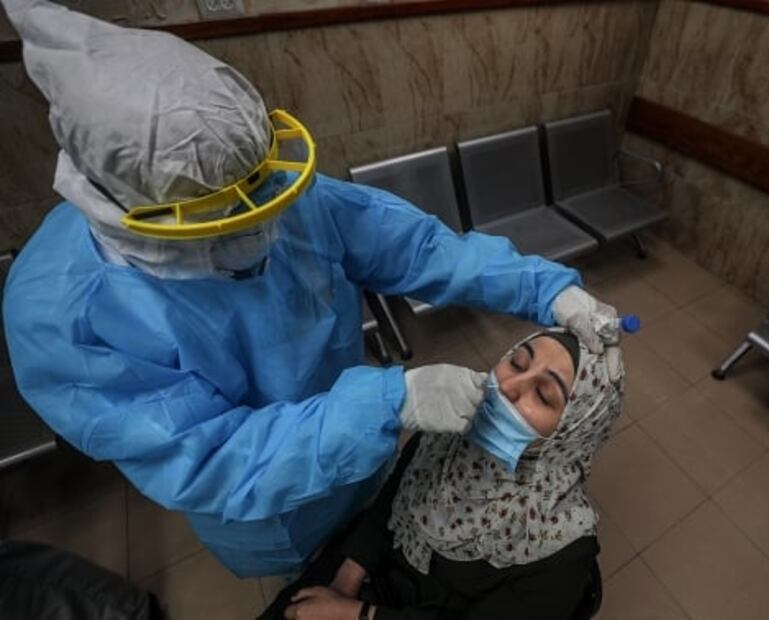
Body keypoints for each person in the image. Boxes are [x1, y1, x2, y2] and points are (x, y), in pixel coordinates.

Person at [0, 0, 621, 578]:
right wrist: (386, 406)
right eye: (224, 223)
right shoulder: (62, 316)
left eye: (262, 199)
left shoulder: (267, 186)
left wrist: (545, 290)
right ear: (135, 212)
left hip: (364, 453)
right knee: (313, 575)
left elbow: (418, 248)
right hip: (269, 511)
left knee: (370, 540)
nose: (264, 230)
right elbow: (211, 458)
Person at [261, 330, 623, 619]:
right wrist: (345, 579)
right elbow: (389, 506)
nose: (507, 387)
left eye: (542, 395)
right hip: (377, 571)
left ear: (572, 434)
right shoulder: (444, 435)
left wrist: (355, 614)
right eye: (516, 362)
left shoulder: (560, 550)